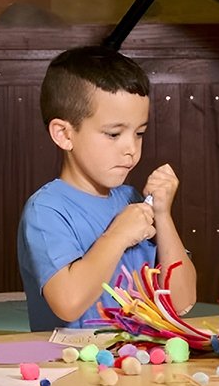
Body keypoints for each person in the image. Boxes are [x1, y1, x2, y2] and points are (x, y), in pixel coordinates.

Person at [17, 45, 195, 331]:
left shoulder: (133, 200)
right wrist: (117, 236)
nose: (131, 150)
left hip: (140, 363)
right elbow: (68, 302)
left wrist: (162, 215)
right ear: (64, 134)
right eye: (113, 134)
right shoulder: (46, 210)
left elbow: (183, 301)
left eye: (139, 134)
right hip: (70, 369)